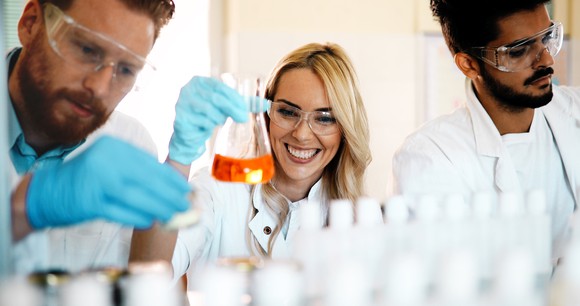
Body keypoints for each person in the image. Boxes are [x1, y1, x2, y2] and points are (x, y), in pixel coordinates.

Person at [8, 0, 247, 273]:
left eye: (125, 70)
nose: (99, 88)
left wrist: (179, 157)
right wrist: (24, 206)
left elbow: (144, 275)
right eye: (87, 50)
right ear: (31, 24)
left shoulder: (131, 141)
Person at [130, 42, 372, 287]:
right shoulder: (219, 191)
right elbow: (149, 276)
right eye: (288, 112)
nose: (302, 135)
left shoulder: (360, 218)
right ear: (265, 114)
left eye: (324, 118)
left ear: (345, 129)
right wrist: (179, 158)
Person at [391, 0, 580, 265]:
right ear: (469, 65)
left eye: (547, 38)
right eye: (519, 51)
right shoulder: (431, 156)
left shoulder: (574, 112)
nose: (546, 59)